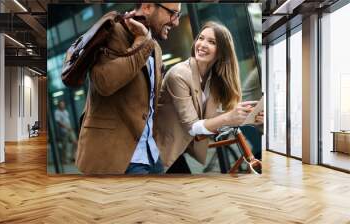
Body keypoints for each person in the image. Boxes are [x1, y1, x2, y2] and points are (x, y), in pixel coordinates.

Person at [75, 3, 181, 174]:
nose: (176, 22)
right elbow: (103, 83)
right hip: (117, 159)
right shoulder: (112, 32)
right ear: (147, 7)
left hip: (151, 155)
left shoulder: (156, 48)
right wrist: (142, 42)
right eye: (173, 13)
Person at [156, 21, 264, 173]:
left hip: (181, 146)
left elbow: (212, 119)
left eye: (212, 42)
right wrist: (229, 117)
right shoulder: (179, 74)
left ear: (222, 51)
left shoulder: (214, 79)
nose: (202, 44)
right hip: (160, 150)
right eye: (201, 38)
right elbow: (193, 126)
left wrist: (250, 117)